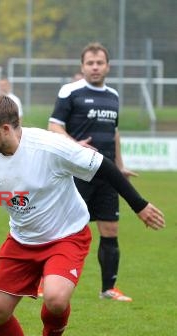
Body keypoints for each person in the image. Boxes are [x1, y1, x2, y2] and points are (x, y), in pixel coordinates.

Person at [0, 94, 164, 336]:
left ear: (6, 129)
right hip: (21, 240)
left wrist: (139, 205)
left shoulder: (49, 147)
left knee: (55, 299)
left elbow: (103, 166)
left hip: (66, 235)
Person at [48, 42, 137, 302]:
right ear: (82, 66)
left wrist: (119, 167)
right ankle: (45, 282)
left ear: (108, 66)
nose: (95, 67)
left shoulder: (113, 95)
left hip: (107, 175)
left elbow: (115, 133)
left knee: (110, 229)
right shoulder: (71, 91)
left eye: (100, 63)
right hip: (79, 171)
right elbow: (54, 126)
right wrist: (75, 146)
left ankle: (108, 289)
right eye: (90, 63)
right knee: (63, 229)